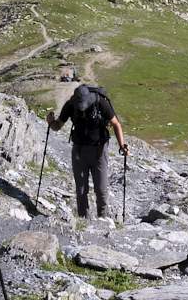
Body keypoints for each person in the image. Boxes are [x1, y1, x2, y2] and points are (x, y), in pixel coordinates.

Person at [47, 84, 128, 219]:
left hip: (99, 150)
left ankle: (103, 220)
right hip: (79, 150)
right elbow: (58, 126)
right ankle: (83, 220)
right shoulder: (70, 105)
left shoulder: (100, 102)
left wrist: (122, 145)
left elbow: (116, 123)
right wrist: (50, 122)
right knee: (81, 189)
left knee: (101, 189)